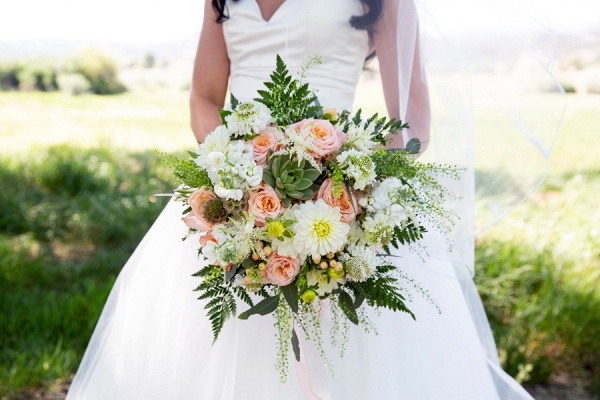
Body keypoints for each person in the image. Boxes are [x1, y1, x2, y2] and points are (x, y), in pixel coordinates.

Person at [67, 0, 559, 398]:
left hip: (343, 202)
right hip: (232, 197)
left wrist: (352, 188)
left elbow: (412, 119)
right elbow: (203, 96)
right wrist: (235, 174)